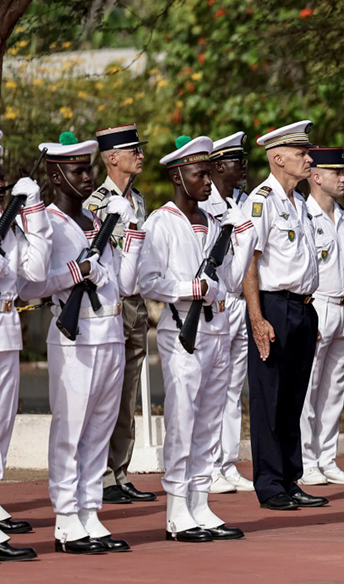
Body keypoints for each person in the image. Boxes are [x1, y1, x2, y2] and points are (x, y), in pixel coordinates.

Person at [20, 132, 144, 554]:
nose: (87, 177)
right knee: (71, 431)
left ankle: (90, 512)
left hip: (110, 333)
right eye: (77, 170)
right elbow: (31, 284)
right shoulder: (48, 223)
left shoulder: (98, 220)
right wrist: (78, 271)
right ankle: (66, 519)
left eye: (89, 169)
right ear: (57, 175)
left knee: (100, 429)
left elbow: (126, 283)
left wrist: (131, 234)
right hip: (74, 337)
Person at [137, 135, 256, 542]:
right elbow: (147, 282)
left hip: (218, 327)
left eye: (208, 172)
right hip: (182, 330)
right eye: (198, 173)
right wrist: (190, 288)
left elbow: (233, 281)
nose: (207, 180)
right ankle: (175, 510)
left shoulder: (214, 221)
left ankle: (200, 500)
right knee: (183, 418)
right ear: (176, 175)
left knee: (210, 417)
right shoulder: (161, 222)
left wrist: (245, 237)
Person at [241, 121, 328, 511]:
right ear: (277, 158)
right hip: (273, 306)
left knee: (293, 399)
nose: (309, 159)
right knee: (269, 399)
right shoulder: (260, 201)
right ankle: (270, 482)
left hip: (302, 307)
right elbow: (249, 264)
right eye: (300, 153)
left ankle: (290, 478)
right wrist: (258, 318)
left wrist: (310, 316)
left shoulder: (299, 203)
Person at [84, 124, 156, 506]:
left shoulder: (139, 200)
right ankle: (103, 475)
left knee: (128, 392)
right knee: (106, 393)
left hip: (135, 302)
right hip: (109, 302)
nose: (141, 155)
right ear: (112, 158)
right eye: (133, 150)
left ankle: (120, 472)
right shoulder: (95, 204)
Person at [0, 132, 52, 562]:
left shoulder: (8, 222)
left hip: (5, 330)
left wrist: (32, 214)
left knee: (2, 427)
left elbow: (33, 276)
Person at [298, 147, 344, 487]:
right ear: (317, 176)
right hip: (318, 304)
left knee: (335, 388)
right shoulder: (304, 215)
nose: (343, 178)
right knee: (309, 388)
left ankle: (326, 456)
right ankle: (306, 460)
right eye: (336, 173)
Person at [203, 131, 255, 494]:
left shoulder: (243, 201)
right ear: (219, 166)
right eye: (238, 161)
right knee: (212, 387)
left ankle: (227, 462)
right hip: (216, 303)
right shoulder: (205, 203)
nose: (244, 167)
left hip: (240, 300)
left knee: (234, 388)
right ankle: (207, 465)